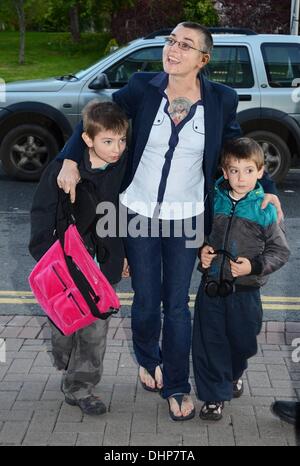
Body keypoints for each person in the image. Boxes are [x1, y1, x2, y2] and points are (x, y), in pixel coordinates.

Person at [55, 23, 282, 421]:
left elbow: (235, 145)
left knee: (176, 305)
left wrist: (266, 185)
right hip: (137, 211)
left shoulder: (220, 98)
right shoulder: (143, 86)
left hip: (186, 219)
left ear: (202, 59)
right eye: (171, 42)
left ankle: (176, 384)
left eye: (186, 45)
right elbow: (95, 120)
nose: (174, 49)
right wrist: (71, 158)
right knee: (145, 302)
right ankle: (148, 357)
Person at [29, 100, 129, 415]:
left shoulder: (121, 171)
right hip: (64, 265)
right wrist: (48, 253)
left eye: (121, 141)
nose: (117, 149)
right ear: (87, 139)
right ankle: (66, 363)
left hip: (99, 266)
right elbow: (42, 213)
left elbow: (120, 217)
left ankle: (81, 387)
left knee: (95, 329)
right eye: (108, 141)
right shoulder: (64, 171)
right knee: (64, 330)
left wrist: (123, 256)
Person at [192, 137, 290, 421]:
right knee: (210, 342)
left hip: (245, 291)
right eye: (234, 170)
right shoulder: (212, 200)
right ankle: (214, 396)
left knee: (243, 341)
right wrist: (202, 251)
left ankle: (235, 373)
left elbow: (280, 252)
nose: (241, 177)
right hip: (211, 287)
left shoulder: (264, 208)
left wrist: (254, 266)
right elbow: (199, 233)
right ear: (224, 172)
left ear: (260, 172)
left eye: (248, 170)